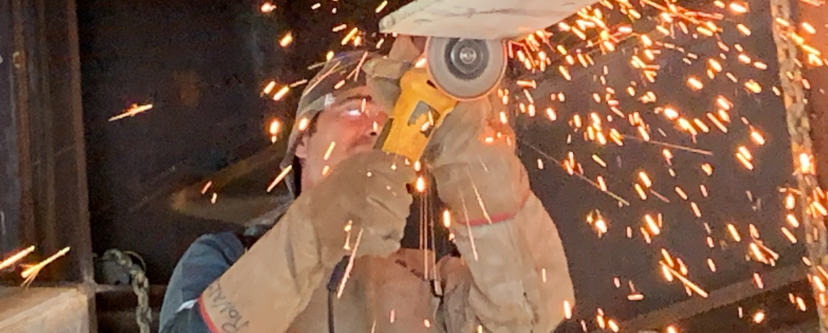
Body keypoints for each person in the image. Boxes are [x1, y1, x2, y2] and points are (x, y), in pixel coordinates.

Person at [159, 37, 574, 333]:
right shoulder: (228, 258)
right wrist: (316, 228)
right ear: (302, 140)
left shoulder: (427, 274)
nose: (376, 125)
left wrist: (465, 145)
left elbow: (531, 315)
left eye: (386, 114)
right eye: (355, 107)